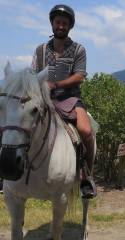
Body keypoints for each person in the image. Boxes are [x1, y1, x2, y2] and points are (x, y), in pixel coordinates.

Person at [31, 4, 96, 198]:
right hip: (43, 99)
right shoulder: (41, 50)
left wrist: (55, 84)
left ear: (70, 26)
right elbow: (34, 73)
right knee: (16, 123)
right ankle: (12, 170)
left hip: (70, 99)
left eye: (64, 23)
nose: (61, 26)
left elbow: (79, 76)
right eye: (58, 22)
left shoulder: (78, 49)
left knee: (86, 131)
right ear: (52, 23)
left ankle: (86, 176)